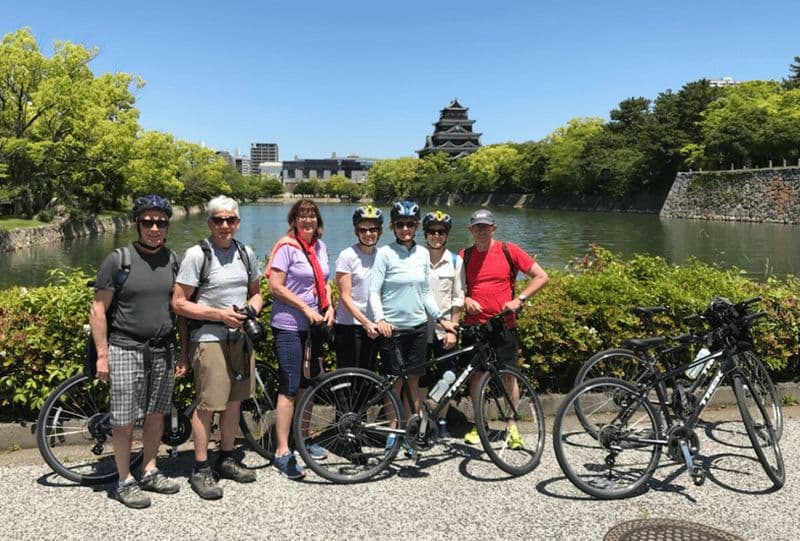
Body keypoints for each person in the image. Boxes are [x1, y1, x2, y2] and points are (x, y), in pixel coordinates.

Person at [90, 194, 184, 509]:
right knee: (124, 419)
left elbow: (179, 310)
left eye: (160, 222)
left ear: (168, 226)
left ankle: (149, 469)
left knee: (157, 413)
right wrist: (102, 354)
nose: (154, 228)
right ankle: (123, 480)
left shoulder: (172, 259)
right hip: (125, 346)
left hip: (163, 348)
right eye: (148, 222)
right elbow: (98, 309)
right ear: (137, 224)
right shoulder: (119, 260)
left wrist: (182, 351)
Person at [172, 195, 263, 499]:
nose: (225, 225)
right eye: (219, 220)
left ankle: (226, 458)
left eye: (231, 220)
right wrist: (219, 315)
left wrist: (251, 309)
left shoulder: (245, 252)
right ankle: (200, 468)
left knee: (235, 402)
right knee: (208, 405)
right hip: (209, 339)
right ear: (210, 222)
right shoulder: (197, 255)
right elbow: (179, 302)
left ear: (238, 222)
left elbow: (256, 293)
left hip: (240, 338)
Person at [369, 201, 458, 455]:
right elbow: (374, 292)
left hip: (418, 328)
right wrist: (380, 319)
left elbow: (425, 293)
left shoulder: (422, 254)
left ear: (417, 226)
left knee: (415, 382)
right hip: (392, 330)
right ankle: (391, 434)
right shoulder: (385, 254)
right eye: (400, 224)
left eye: (410, 224)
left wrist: (441, 319)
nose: (405, 229)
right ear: (392, 227)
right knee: (394, 383)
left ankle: (412, 431)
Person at [459, 208, 548, 447]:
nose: (482, 232)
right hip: (475, 327)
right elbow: (455, 290)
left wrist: (520, 299)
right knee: (476, 376)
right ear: (471, 230)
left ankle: (512, 426)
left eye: (486, 227)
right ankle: (480, 425)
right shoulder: (464, 256)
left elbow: (541, 276)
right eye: (477, 227)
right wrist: (465, 299)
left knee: (509, 375)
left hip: (503, 325)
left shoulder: (509, 251)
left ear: (493, 228)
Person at [267, 198, 334, 479]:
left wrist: (329, 305)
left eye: (312, 216)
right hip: (289, 325)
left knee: (309, 385)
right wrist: (305, 308)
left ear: (318, 221)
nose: (308, 221)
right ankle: (282, 451)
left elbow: (325, 281)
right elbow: (274, 287)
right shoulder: (287, 247)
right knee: (290, 386)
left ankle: (303, 440)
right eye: (302, 216)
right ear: (293, 221)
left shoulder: (320, 247)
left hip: (314, 326)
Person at [418, 210, 464, 439]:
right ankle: (423, 421)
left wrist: (453, 329)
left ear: (447, 235)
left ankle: (442, 419)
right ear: (425, 234)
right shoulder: (417, 259)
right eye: (432, 232)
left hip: (445, 328)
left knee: (447, 376)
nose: (436, 236)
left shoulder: (456, 261)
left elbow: (458, 298)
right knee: (422, 378)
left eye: (441, 232)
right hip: (420, 328)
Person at [334, 205, 383, 371]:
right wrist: (365, 322)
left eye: (373, 229)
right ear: (357, 231)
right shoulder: (347, 256)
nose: (368, 234)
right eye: (363, 230)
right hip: (350, 325)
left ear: (380, 231)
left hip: (374, 325)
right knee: (348, 376)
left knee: (368, 375)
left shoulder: (382, 256)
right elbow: (345, 296)